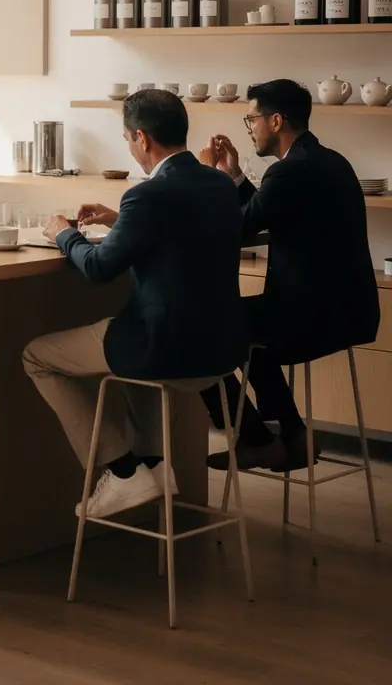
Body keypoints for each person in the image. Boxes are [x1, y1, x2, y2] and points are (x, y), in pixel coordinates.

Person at [22, 89, 247, 519]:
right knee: (128, 360)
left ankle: (123, 472)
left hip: (162, 348)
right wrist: (119, 219)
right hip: (220, 350)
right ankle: (156, 468)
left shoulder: (147, 195)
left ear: (142, 138)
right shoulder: (219, 185)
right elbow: (180, 232)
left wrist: (62, 233)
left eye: (127, 138)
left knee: (36, 356)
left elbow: (99, 268)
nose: (129, 145)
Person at [198, 79, 380, 471]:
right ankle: (294, 437)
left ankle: (257, 438)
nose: (251, 129)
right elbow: (263, 210)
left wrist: (207, 179)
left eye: (252, 120)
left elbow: (239, 226)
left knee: (200, 331)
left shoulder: (291, 172)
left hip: (309, 316)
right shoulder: (328, 160)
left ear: (276, 120)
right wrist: (235, 176)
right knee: (248, 334)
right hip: (350, 312)